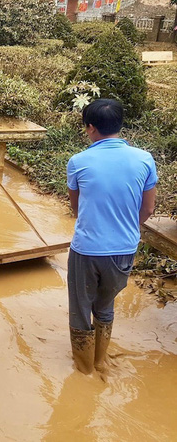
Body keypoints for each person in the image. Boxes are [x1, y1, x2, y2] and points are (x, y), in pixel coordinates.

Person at [66, 99, 157, 375]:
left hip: (87, 249)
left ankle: (84, 371)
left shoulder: (78, 162)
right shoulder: (144, 159)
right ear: (120, 126)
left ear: (90, 128)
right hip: (124, 249)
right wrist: (127, 226)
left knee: (80, 309)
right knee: (105, 305)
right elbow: (149, 208)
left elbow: (76, 207)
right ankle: (100, 361)